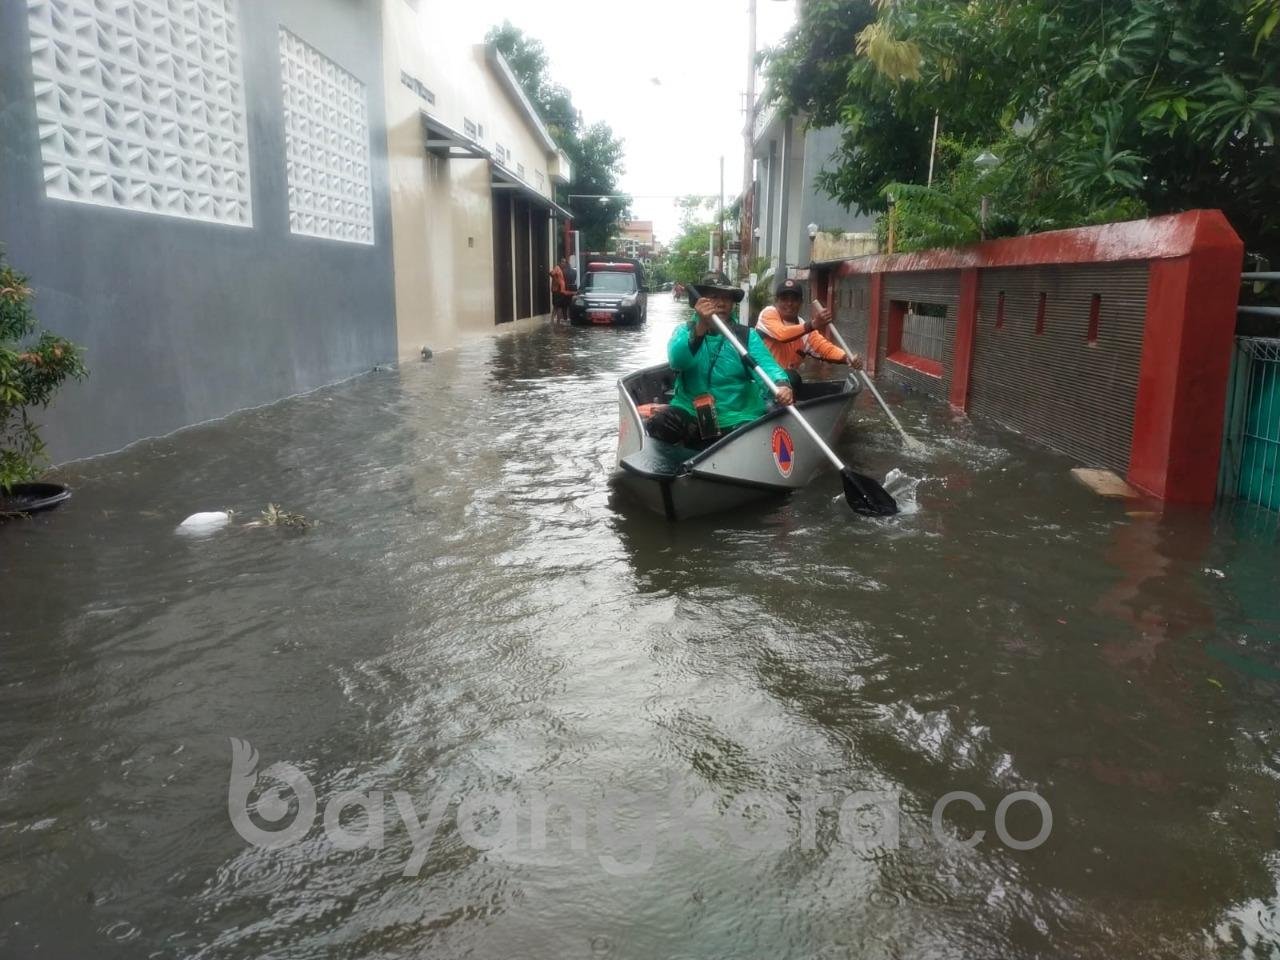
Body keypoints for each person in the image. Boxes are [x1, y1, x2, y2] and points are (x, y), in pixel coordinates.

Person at [647, 272, 793, 447]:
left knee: (751, 438)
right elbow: (678, 361)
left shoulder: (746, 336)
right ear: (700, 302)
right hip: (690, 411)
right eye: (714, 297)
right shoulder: (684, 331)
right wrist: (701, 326)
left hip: (737, 416)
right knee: (661, 424)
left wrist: (782, 385)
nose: (722, 303)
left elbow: (767, 367)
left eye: (727, 298)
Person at [755, 277, 863, 388]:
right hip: (761, 380)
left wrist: (847, 358)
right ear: (776, 301)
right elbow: (782, 334)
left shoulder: (805, 329)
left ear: (801, 302)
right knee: (792, 377)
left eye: (794, 299)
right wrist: (813, 324)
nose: (789, 303)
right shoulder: (768, 314)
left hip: (786, 386)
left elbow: (825, 349)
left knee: (794, 380)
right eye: (784, 299)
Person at [550, 256, 572, 322]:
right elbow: (551, 273)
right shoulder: (557, 268)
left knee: (558, 307)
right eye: (562, 262)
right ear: (559, 262)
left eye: (565, 262)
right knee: (557, 307)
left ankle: (557, 322)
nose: (564, 263)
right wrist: (556, 281)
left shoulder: (561, 270)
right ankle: (555, 322)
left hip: (560, 291)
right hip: (557, 291)